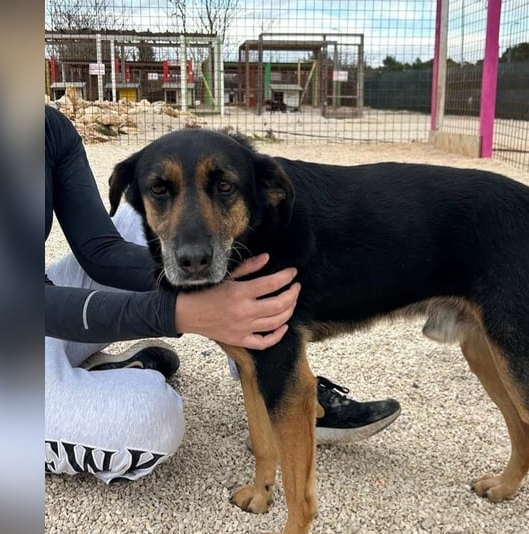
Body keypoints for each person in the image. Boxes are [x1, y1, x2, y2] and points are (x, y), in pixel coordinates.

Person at [44, 105, 401, 483]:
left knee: (160, 203)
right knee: (148, 421)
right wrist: (175, 312)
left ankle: (276, 373)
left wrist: (216, 281)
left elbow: (100, 249)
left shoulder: (50, 127)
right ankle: (99, 385)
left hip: (47, 297)